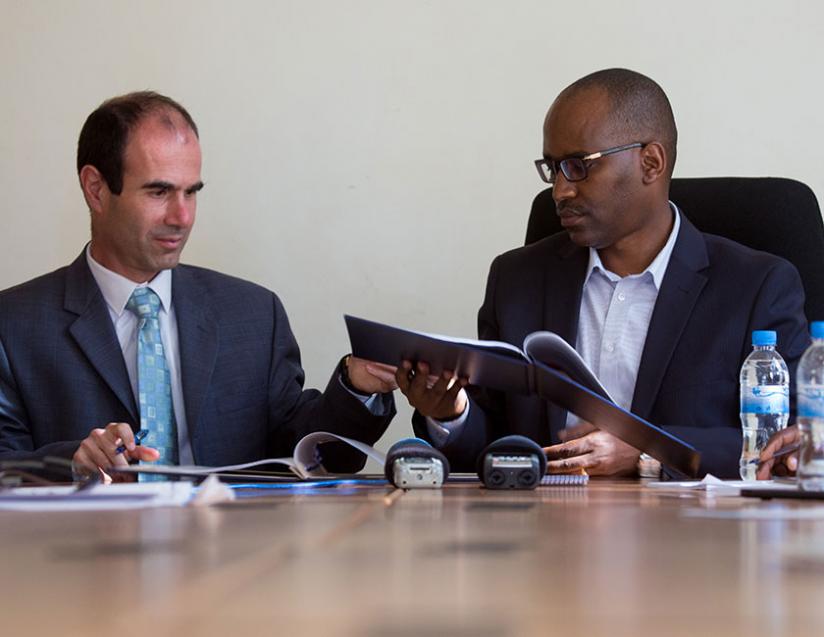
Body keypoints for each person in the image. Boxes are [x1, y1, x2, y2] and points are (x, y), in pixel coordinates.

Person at [397, 69, 809, 478]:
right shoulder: (516, 279)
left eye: (578, 166)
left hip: (695, 531)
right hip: (545, 528)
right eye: (553, 168)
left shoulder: (757, 286)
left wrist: (647, 449)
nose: (560, 190)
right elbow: (497, 441)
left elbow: (791, 441)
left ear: (651, 162)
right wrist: (452, 414)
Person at [0, 91, 397, 479]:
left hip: (229, 543)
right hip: (85, 543)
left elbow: (306, 452)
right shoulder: (14, 325)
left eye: (192, 192)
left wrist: (356, 387)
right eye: (159, 192)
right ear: (96, 189)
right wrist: (71, 462)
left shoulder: (254, 314)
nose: (183, 216)